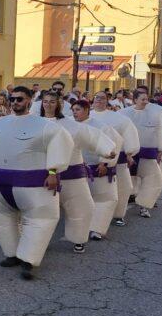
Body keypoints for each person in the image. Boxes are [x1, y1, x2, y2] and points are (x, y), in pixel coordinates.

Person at [0, 86, 73, 281]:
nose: (15, 102)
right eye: (12, 99)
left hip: (33, 185)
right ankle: (11, 253)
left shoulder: (46, 126)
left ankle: (29, 260)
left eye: (19, 99)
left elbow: (60, 147)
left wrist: (53, 172)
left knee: (40, 220)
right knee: (2, 219)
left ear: (29, 100)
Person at [43, 96, 116, 253]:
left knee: (82, 207)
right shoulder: (36, 123)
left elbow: (91, 136)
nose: (48, 104)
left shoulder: (71, 125)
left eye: (52, 101)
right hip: (43, 176)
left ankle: (78, 239)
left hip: (73, 173)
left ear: (59, 105)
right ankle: (38, 242)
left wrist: (107, 150)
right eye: (45, 101)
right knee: (41, 211)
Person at [71, 99, 123, 242]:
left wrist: (104, 163)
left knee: (105, 199)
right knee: (80, 201)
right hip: (76, 169)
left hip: (97, 167)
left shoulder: (100, 126)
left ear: (87, 110)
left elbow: (114, 143)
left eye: (78, 110)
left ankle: (96, 229)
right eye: (73, 110)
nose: (75, 113)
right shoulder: (69, 125)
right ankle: (79, 228)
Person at [89, 91, 140, 229]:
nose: (99, 100)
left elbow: (129, 134)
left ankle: (118, 215)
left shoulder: (119, 119)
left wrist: (129, 153)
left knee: (124, 187)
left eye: (102, 98)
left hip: (118, 158)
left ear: (108, 100)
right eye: (96, 97)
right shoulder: (86, 117)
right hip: (90, 159)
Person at [121, 89, 162, 218]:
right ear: (135, 100)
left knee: (154, 180)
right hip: (129, 154)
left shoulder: (155, 115)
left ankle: (144, 206)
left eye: (147, 99)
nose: (145, 102)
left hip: (148, 153)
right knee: (125, 181)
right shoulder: (123, 114)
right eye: (142, 99)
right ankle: (120, 210)